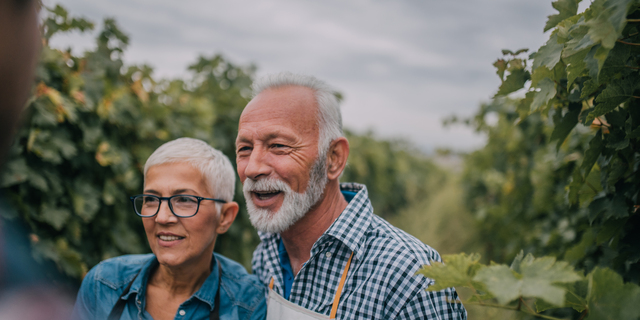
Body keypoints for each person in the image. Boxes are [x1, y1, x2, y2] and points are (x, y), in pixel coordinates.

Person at [235, 73, 467, 319]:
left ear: (333, 158)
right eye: (245, 149)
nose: (252, 168)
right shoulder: (267, 252)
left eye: (279, 146)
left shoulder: (412, 276)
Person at [72, 138, 267, 320]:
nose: (162, 217)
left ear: (225, 217)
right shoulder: (104, 284)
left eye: (184, 200)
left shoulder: (248, 305)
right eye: (151, 199)